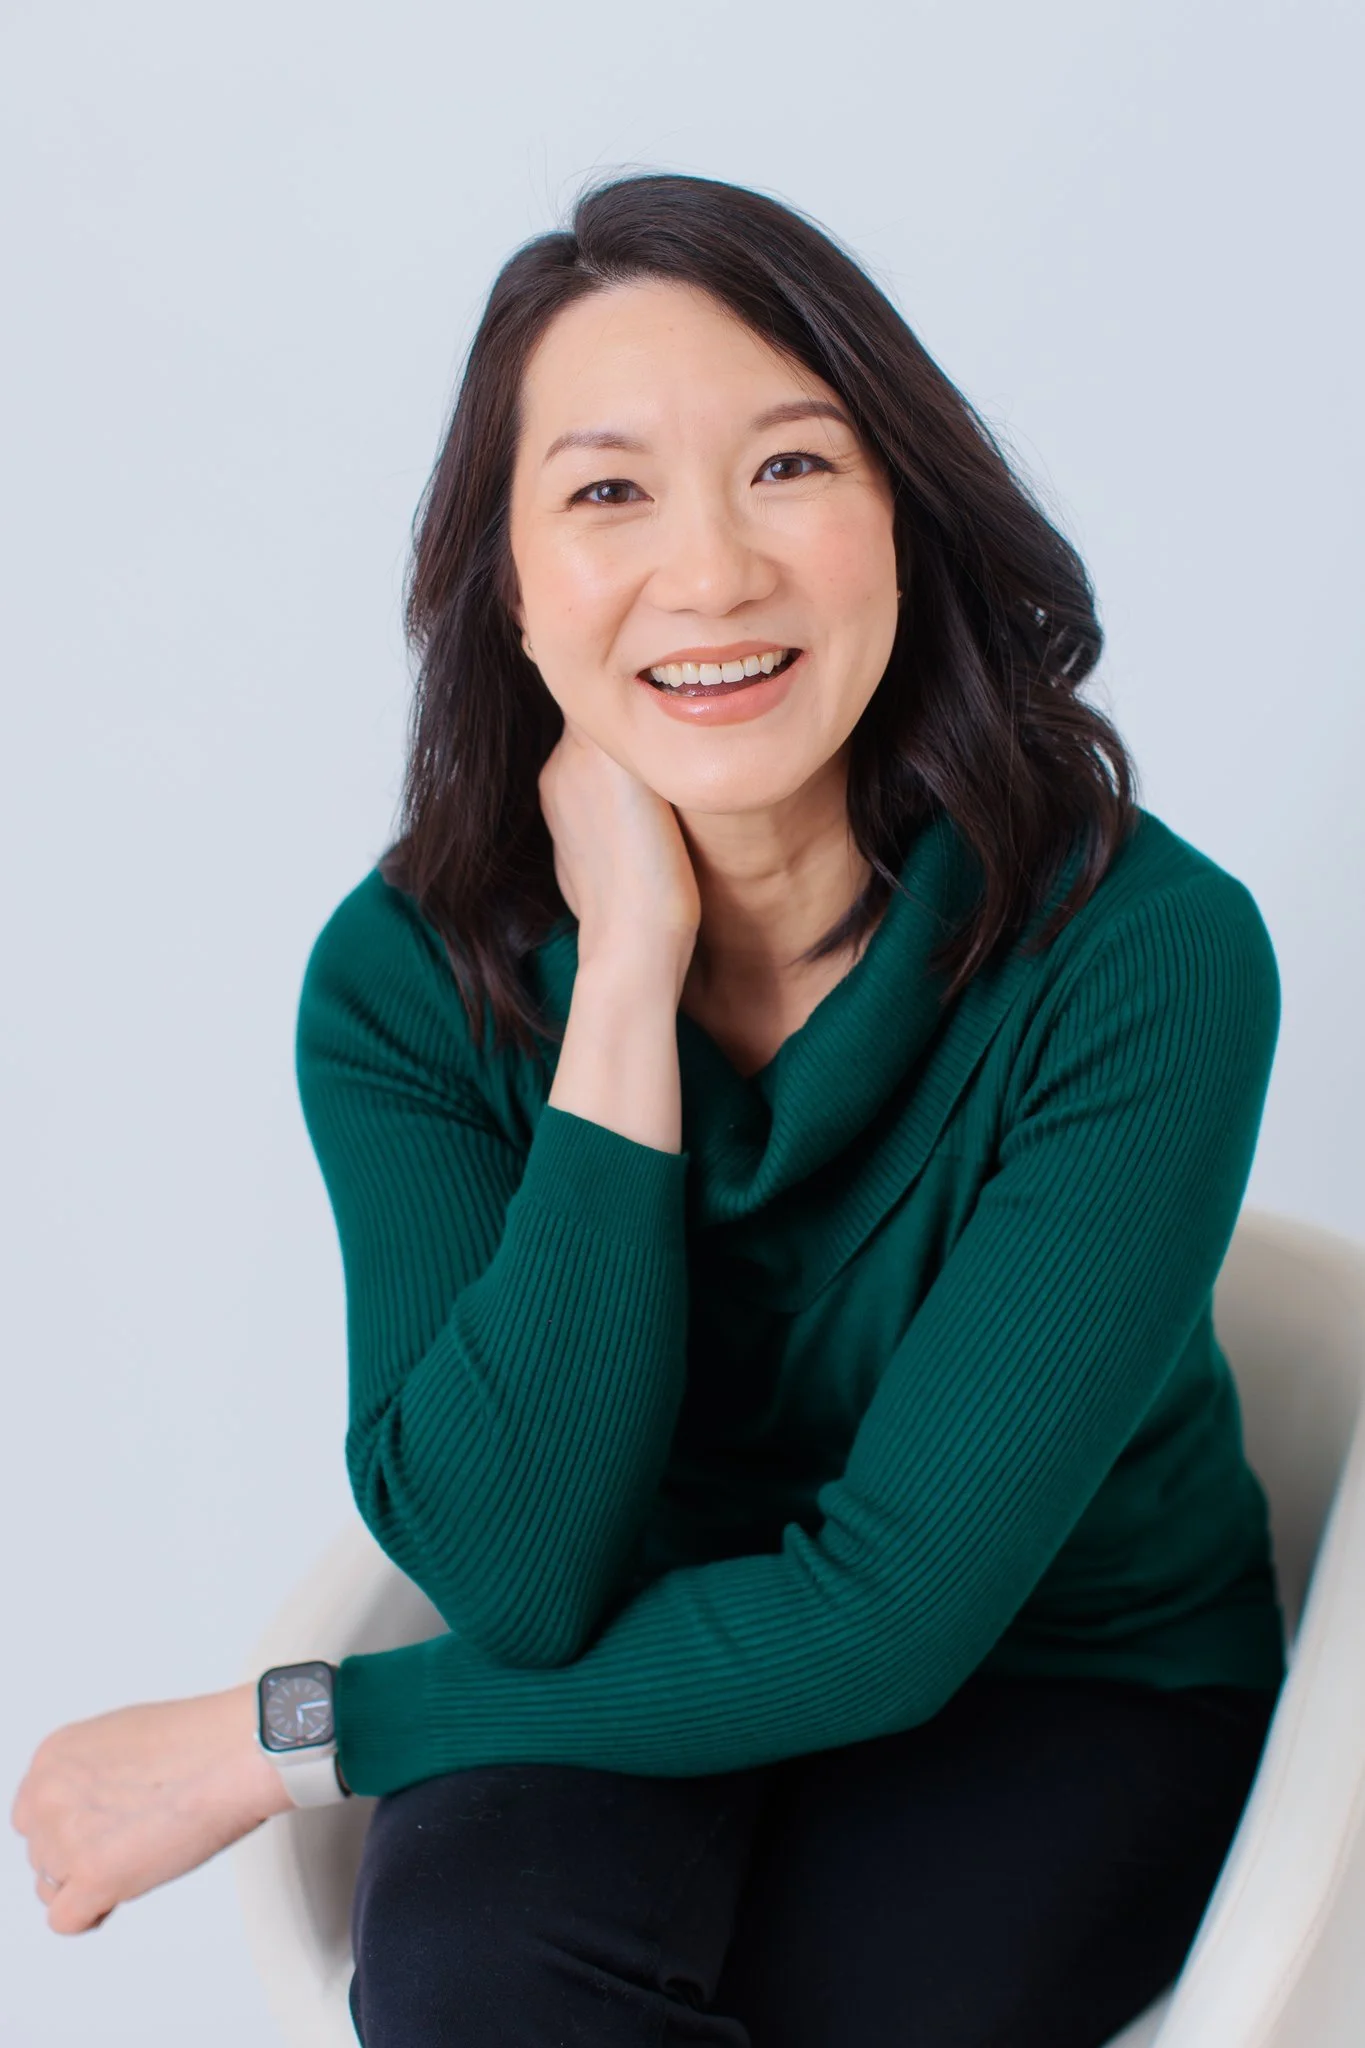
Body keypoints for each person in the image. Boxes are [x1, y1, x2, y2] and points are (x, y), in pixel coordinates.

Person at [12, 172, 1284, 2048]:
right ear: (511, 592)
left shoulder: (1144, 957)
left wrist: (282, 1738)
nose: (710, 574)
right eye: (608, 491)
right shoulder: (404, 983)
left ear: (909, 525)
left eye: (790, 468)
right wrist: (624, 983)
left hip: (1053, 1681)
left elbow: (885, 1618)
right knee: (477, 1982)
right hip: (613, 1649)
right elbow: (515, 1577)